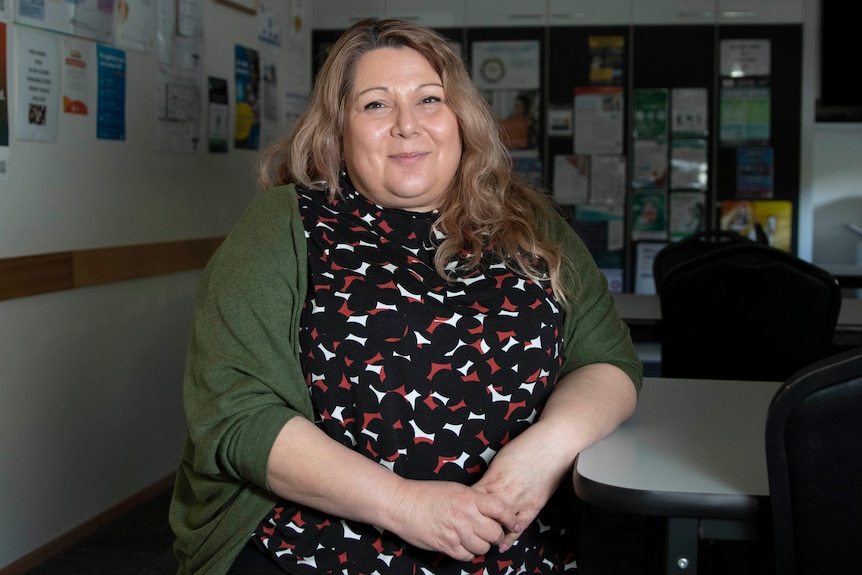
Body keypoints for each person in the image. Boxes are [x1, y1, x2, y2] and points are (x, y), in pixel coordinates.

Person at [169, 18, 642, 575]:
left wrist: (547, 450)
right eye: (375, 105)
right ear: (337, 128)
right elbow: (234, 413)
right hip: (312, 552)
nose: (406, 126)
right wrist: (405, 505)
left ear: (460, 117)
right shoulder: (284, 227)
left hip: (511, 550)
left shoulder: (529, 224)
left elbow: (608, 361)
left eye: (429, 100)